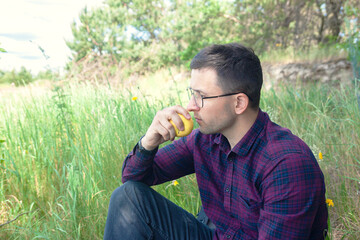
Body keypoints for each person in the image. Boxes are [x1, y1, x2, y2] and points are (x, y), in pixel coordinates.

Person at [103, 43, 328, 239]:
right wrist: (149, 141)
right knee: (128, 198)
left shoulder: (286, 165)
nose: (190, 105)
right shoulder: (205, 140)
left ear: (239, 103)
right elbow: (133, 179)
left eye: (201, 96)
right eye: (192, 93)